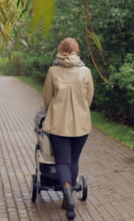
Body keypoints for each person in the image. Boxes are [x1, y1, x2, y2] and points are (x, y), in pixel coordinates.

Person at [42, 37, 94, 220]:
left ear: (60, 50)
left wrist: (51, 113)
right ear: (76, 51)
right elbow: (89, 98)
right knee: (74, 160)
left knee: (62, 162)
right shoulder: (86, 72)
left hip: (58, 125)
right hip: (81, 125)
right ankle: (69, 196)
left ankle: (67, 197)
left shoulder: (53, 71)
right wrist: (80, 109)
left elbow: (47, 98)